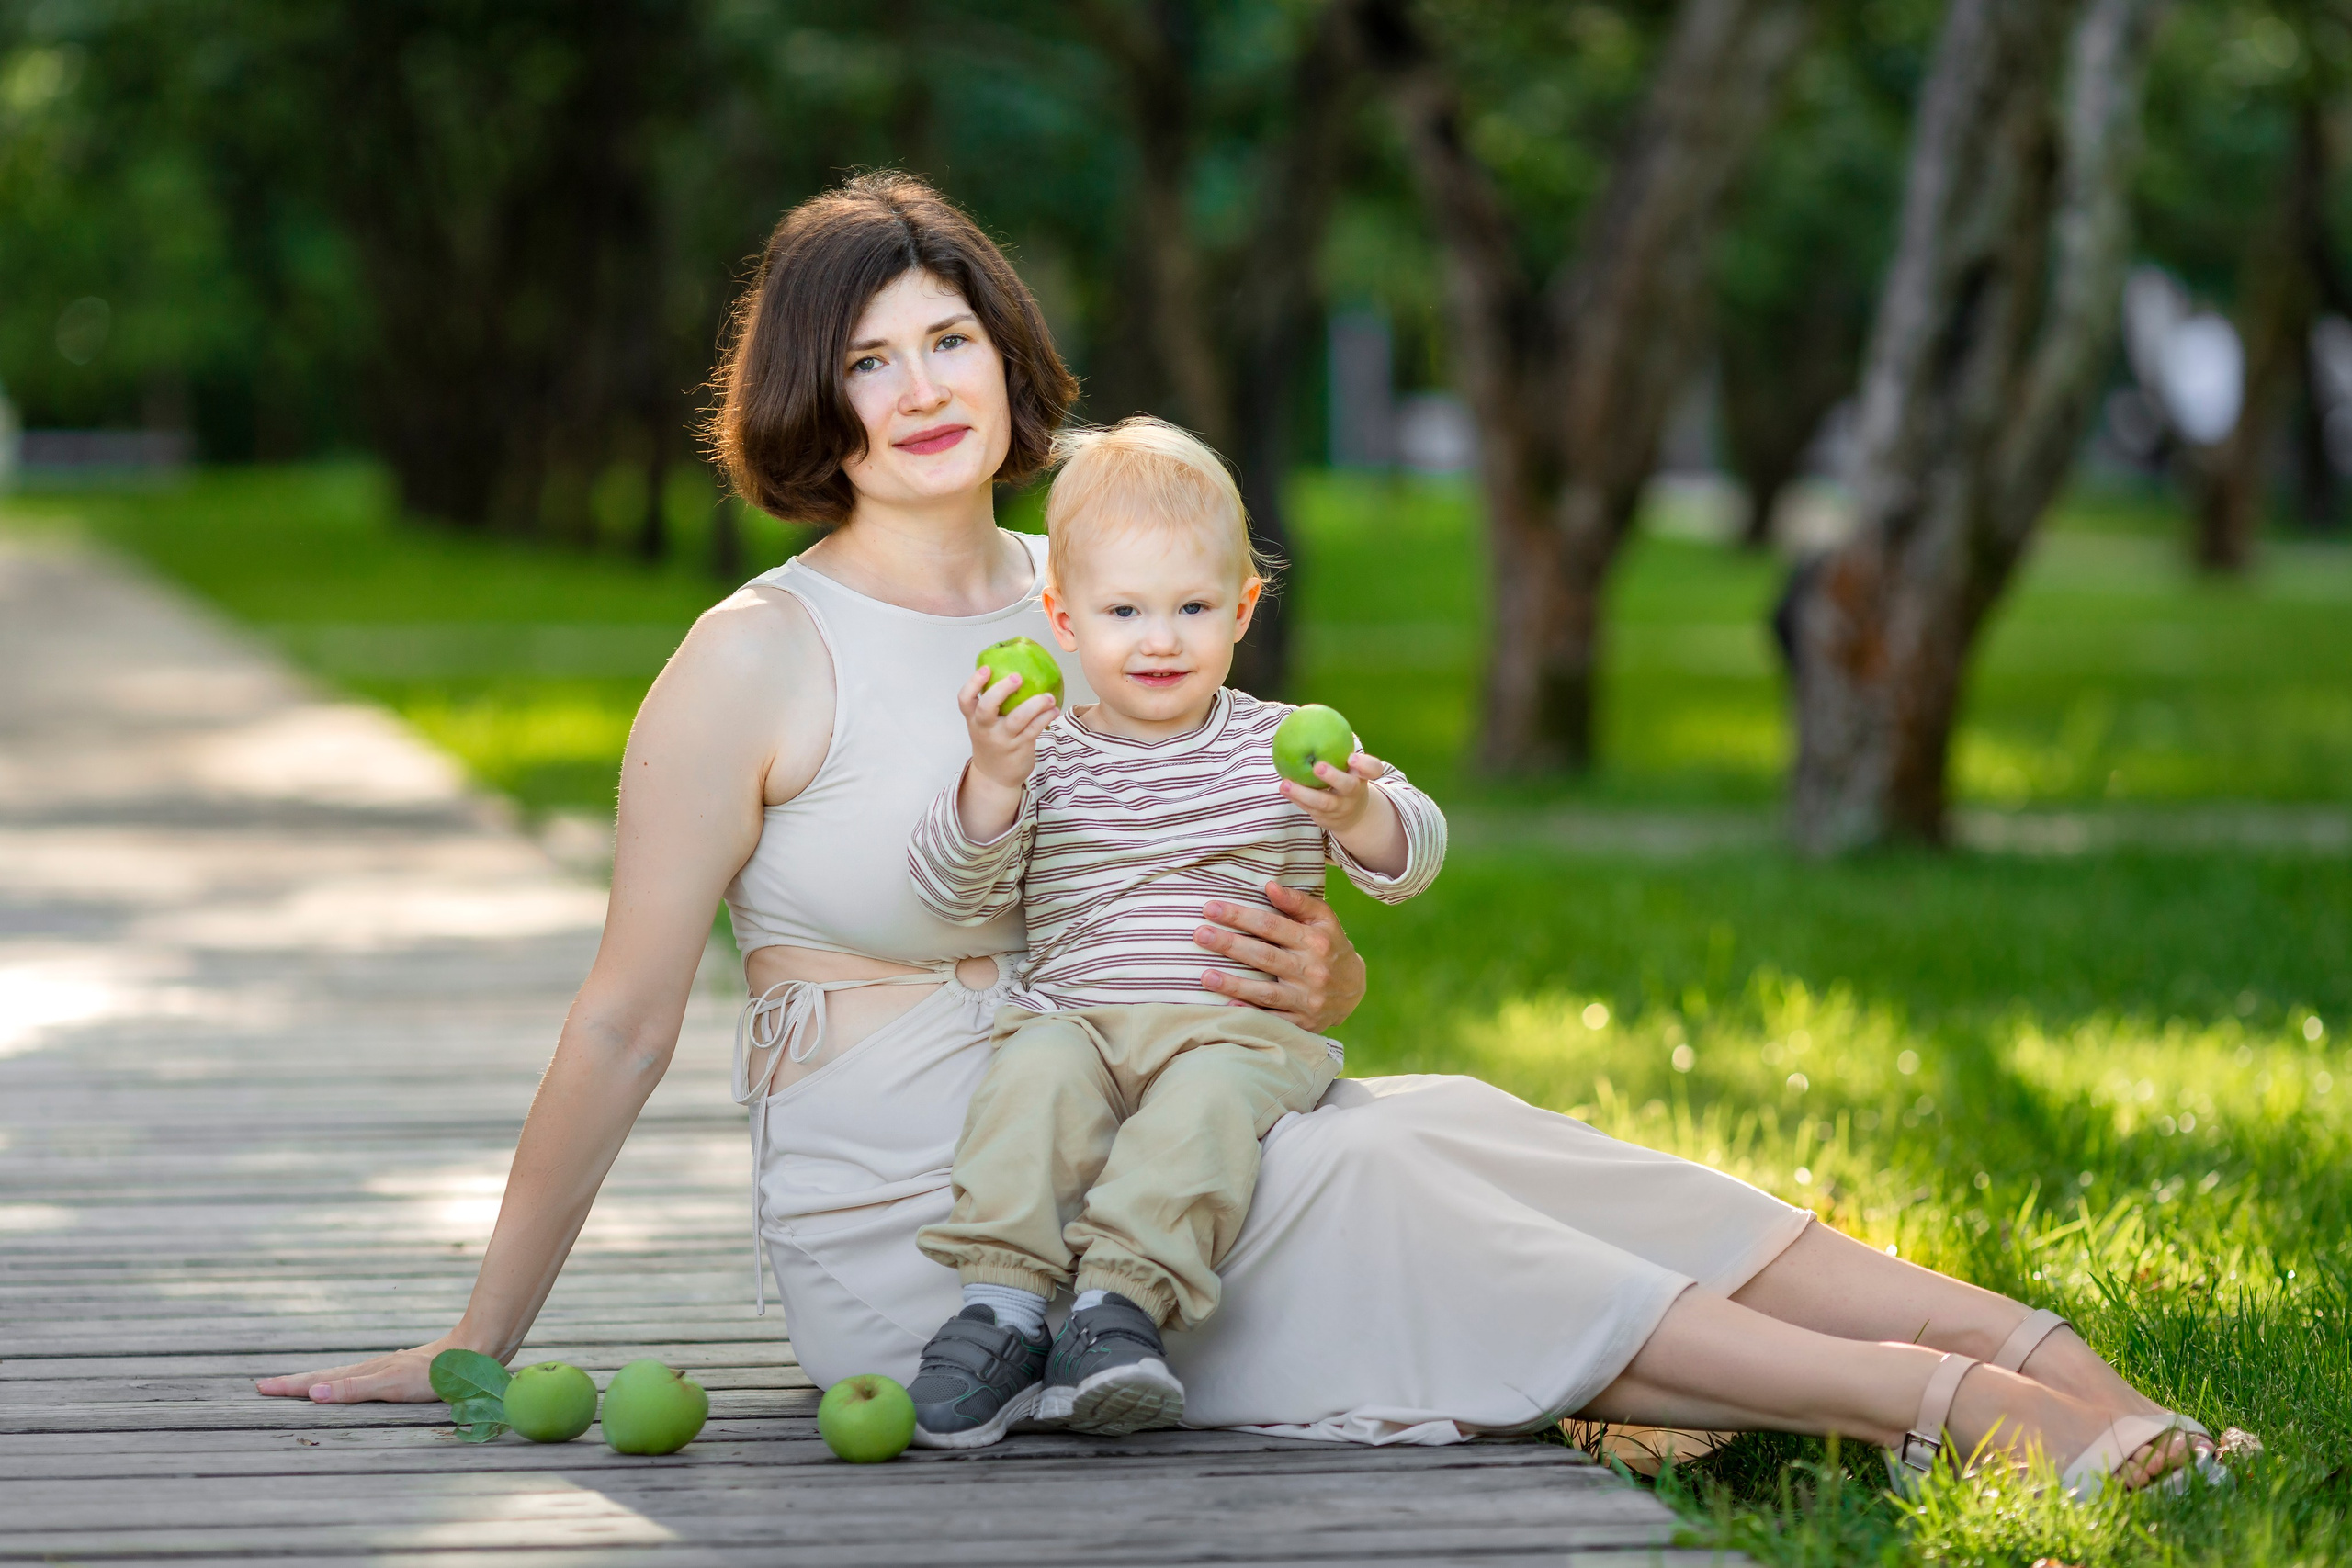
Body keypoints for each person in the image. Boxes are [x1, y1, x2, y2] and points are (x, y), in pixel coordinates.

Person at [258, 172, 2233, 1497]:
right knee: (1395, 1198)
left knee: (1459, 1122)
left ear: (1004, 350)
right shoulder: (752, 657)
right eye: (865, 359)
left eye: (945, 335)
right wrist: (473, 1332)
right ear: (809, 401)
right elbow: (618, 1019)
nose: (918, 384)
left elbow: (1249, 841)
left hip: (1160, 1112)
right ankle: (1963, 1419)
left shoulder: (1104, 583)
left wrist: (1331, 960)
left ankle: (2086, 1377)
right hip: (939, 1234)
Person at [900, 417, 1446, 1446]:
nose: (1160, 639)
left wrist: (1356, 814)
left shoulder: (1279, 742)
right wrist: (991, 775)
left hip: (1235, 1031)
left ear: (1241, 610)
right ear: (1062, 619)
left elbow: (1412, 857)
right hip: (1080, 1020)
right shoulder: (1043, 751)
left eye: (1193, 607)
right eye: (1124, 610)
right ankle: (1001, 1309)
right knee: (1029, 1079)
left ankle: (1117, 1310)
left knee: (1197, 1108)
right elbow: (950, 885)